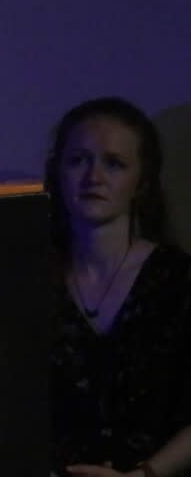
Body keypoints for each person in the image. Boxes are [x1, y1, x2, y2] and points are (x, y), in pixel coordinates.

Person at [46, 97, 191, 477]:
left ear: (141, 181)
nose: (94, 177)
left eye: (114, 163)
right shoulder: (29, 282)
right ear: (58, 171)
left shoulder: (178, 280)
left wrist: (145, 475)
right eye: (78, 160)